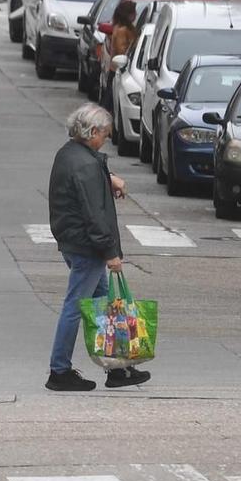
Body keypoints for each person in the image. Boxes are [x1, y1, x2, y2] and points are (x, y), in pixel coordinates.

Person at [47, 104, 146, 391]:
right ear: (92, 132)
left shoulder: (69, 153)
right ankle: (59, 370)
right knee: (76, 306)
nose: (107, 139)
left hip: (74, 241)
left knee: (105, 304)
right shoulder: (86, 165)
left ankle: (118, 368)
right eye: (104, 134)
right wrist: (110, 253)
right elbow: (95, 215)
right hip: (87, 246)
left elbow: (86, 178)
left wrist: (108, 177)